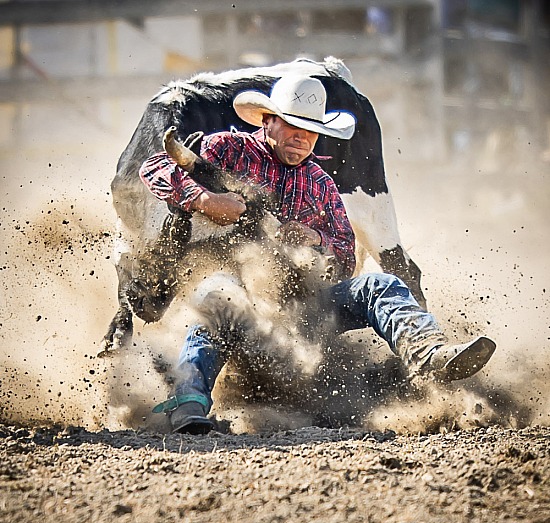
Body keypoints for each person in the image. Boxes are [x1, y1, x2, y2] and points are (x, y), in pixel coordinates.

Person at [140, 75, 496, 434]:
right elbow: (154, 167)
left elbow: (343, 254)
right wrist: (206, 200)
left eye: (310, 130)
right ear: (268, 121)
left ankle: (427, 354)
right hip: (231, 296)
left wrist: (315, 239)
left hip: (302, 311)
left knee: (380, 284)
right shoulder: (226, 149)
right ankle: (190, 400)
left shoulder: (321, 183)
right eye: (293, 125)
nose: (301, 136)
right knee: (218, 294)